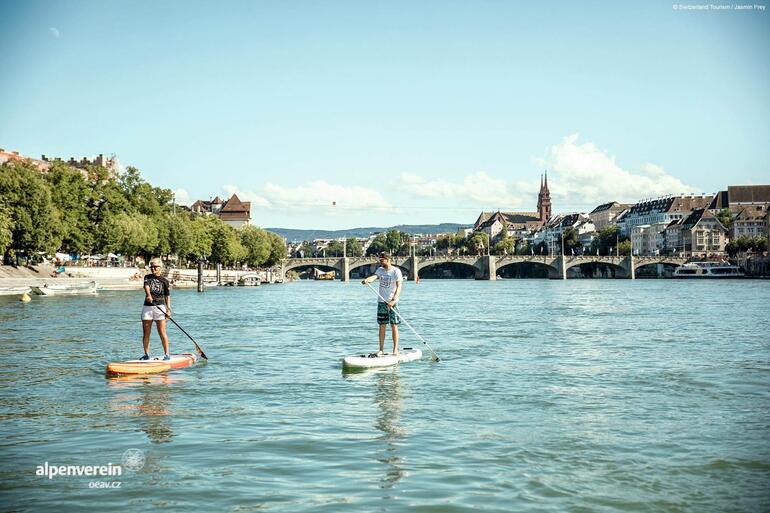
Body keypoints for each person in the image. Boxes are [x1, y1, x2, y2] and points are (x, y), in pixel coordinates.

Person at [361, 252, 403, 355]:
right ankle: (381, 350)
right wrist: (367, 280)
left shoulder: (396, 271)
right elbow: (374, 277)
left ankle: (395, 350)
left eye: (382, 260)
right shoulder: (380, 270)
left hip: (393, 302)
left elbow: (399, 287)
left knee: (394, 325)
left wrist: (393, 300)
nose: (380, 262)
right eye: (380, 260)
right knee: (382, 325)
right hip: (381, 302)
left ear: (388, 260)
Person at [141, 258, 172, 361]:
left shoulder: (165, 281)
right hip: (148, 307)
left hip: (160, 307)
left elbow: (167, 296)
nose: (153, 268)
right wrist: (149, 295)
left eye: (155, 267)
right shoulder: (147, 277)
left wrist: (168, 310)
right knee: (146, 333)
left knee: (162, 332)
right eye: (152, 267)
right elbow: (146, 287)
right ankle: (146, 354)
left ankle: (167, 354)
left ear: (160, 267)